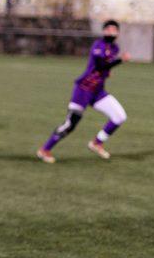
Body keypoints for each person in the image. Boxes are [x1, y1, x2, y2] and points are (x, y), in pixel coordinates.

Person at [36, 19, 130, 163]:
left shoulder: (115, 48)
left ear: (117, 33)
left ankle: (97, 143)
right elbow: (100, 65)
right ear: (103, 31)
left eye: (114, 29)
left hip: (98, 91)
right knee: (71, 123)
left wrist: (108, 71)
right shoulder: (98, 45)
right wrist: (119, 61)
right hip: (83, 89)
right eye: (108, 29)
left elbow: (105, 67)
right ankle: (45, 150)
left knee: (119, 116)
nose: (111, 32)